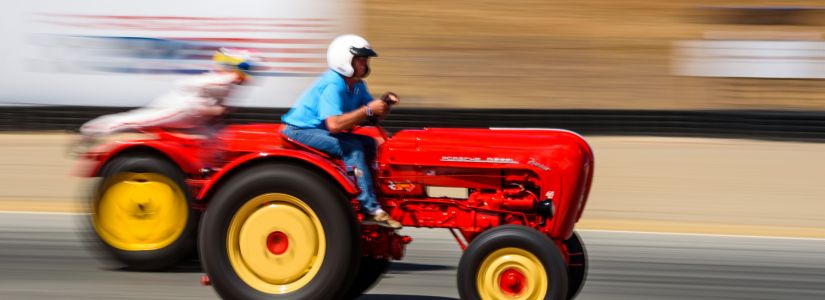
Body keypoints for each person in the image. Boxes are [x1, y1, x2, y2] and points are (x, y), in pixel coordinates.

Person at [281, 34, 402, 229]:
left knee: (370, 143)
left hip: (320, 131)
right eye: (361, 59)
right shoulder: (333, 83)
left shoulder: (357, 85)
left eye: (366, 60)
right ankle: (369, 207)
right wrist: (368, 110)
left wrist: (384, 104)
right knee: (353, 146)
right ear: (345, 60)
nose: (365, 64)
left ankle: (372, 191)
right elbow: (334, 125)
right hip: (300, 130)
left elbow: (371, 115)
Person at [79, 47, 260, 140]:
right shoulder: (223, 78)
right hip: (182, 108)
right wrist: (215, 109)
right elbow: (190, 85)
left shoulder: (231, 82)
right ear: (235, 68)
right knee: (139, 120)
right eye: (247, 68)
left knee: (215, 139)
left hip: (195, 117)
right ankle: (94, 129)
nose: (251, 74)